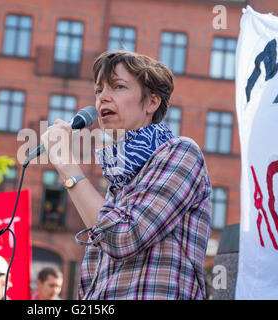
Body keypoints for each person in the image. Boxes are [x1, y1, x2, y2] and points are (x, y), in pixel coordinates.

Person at [40, 50, 212, 299]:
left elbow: (123, 237)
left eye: (118, 87)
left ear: (152, 102)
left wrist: (67, 165)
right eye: (99, 91)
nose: (103, 99)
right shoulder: (118, 179)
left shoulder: (180, 153)